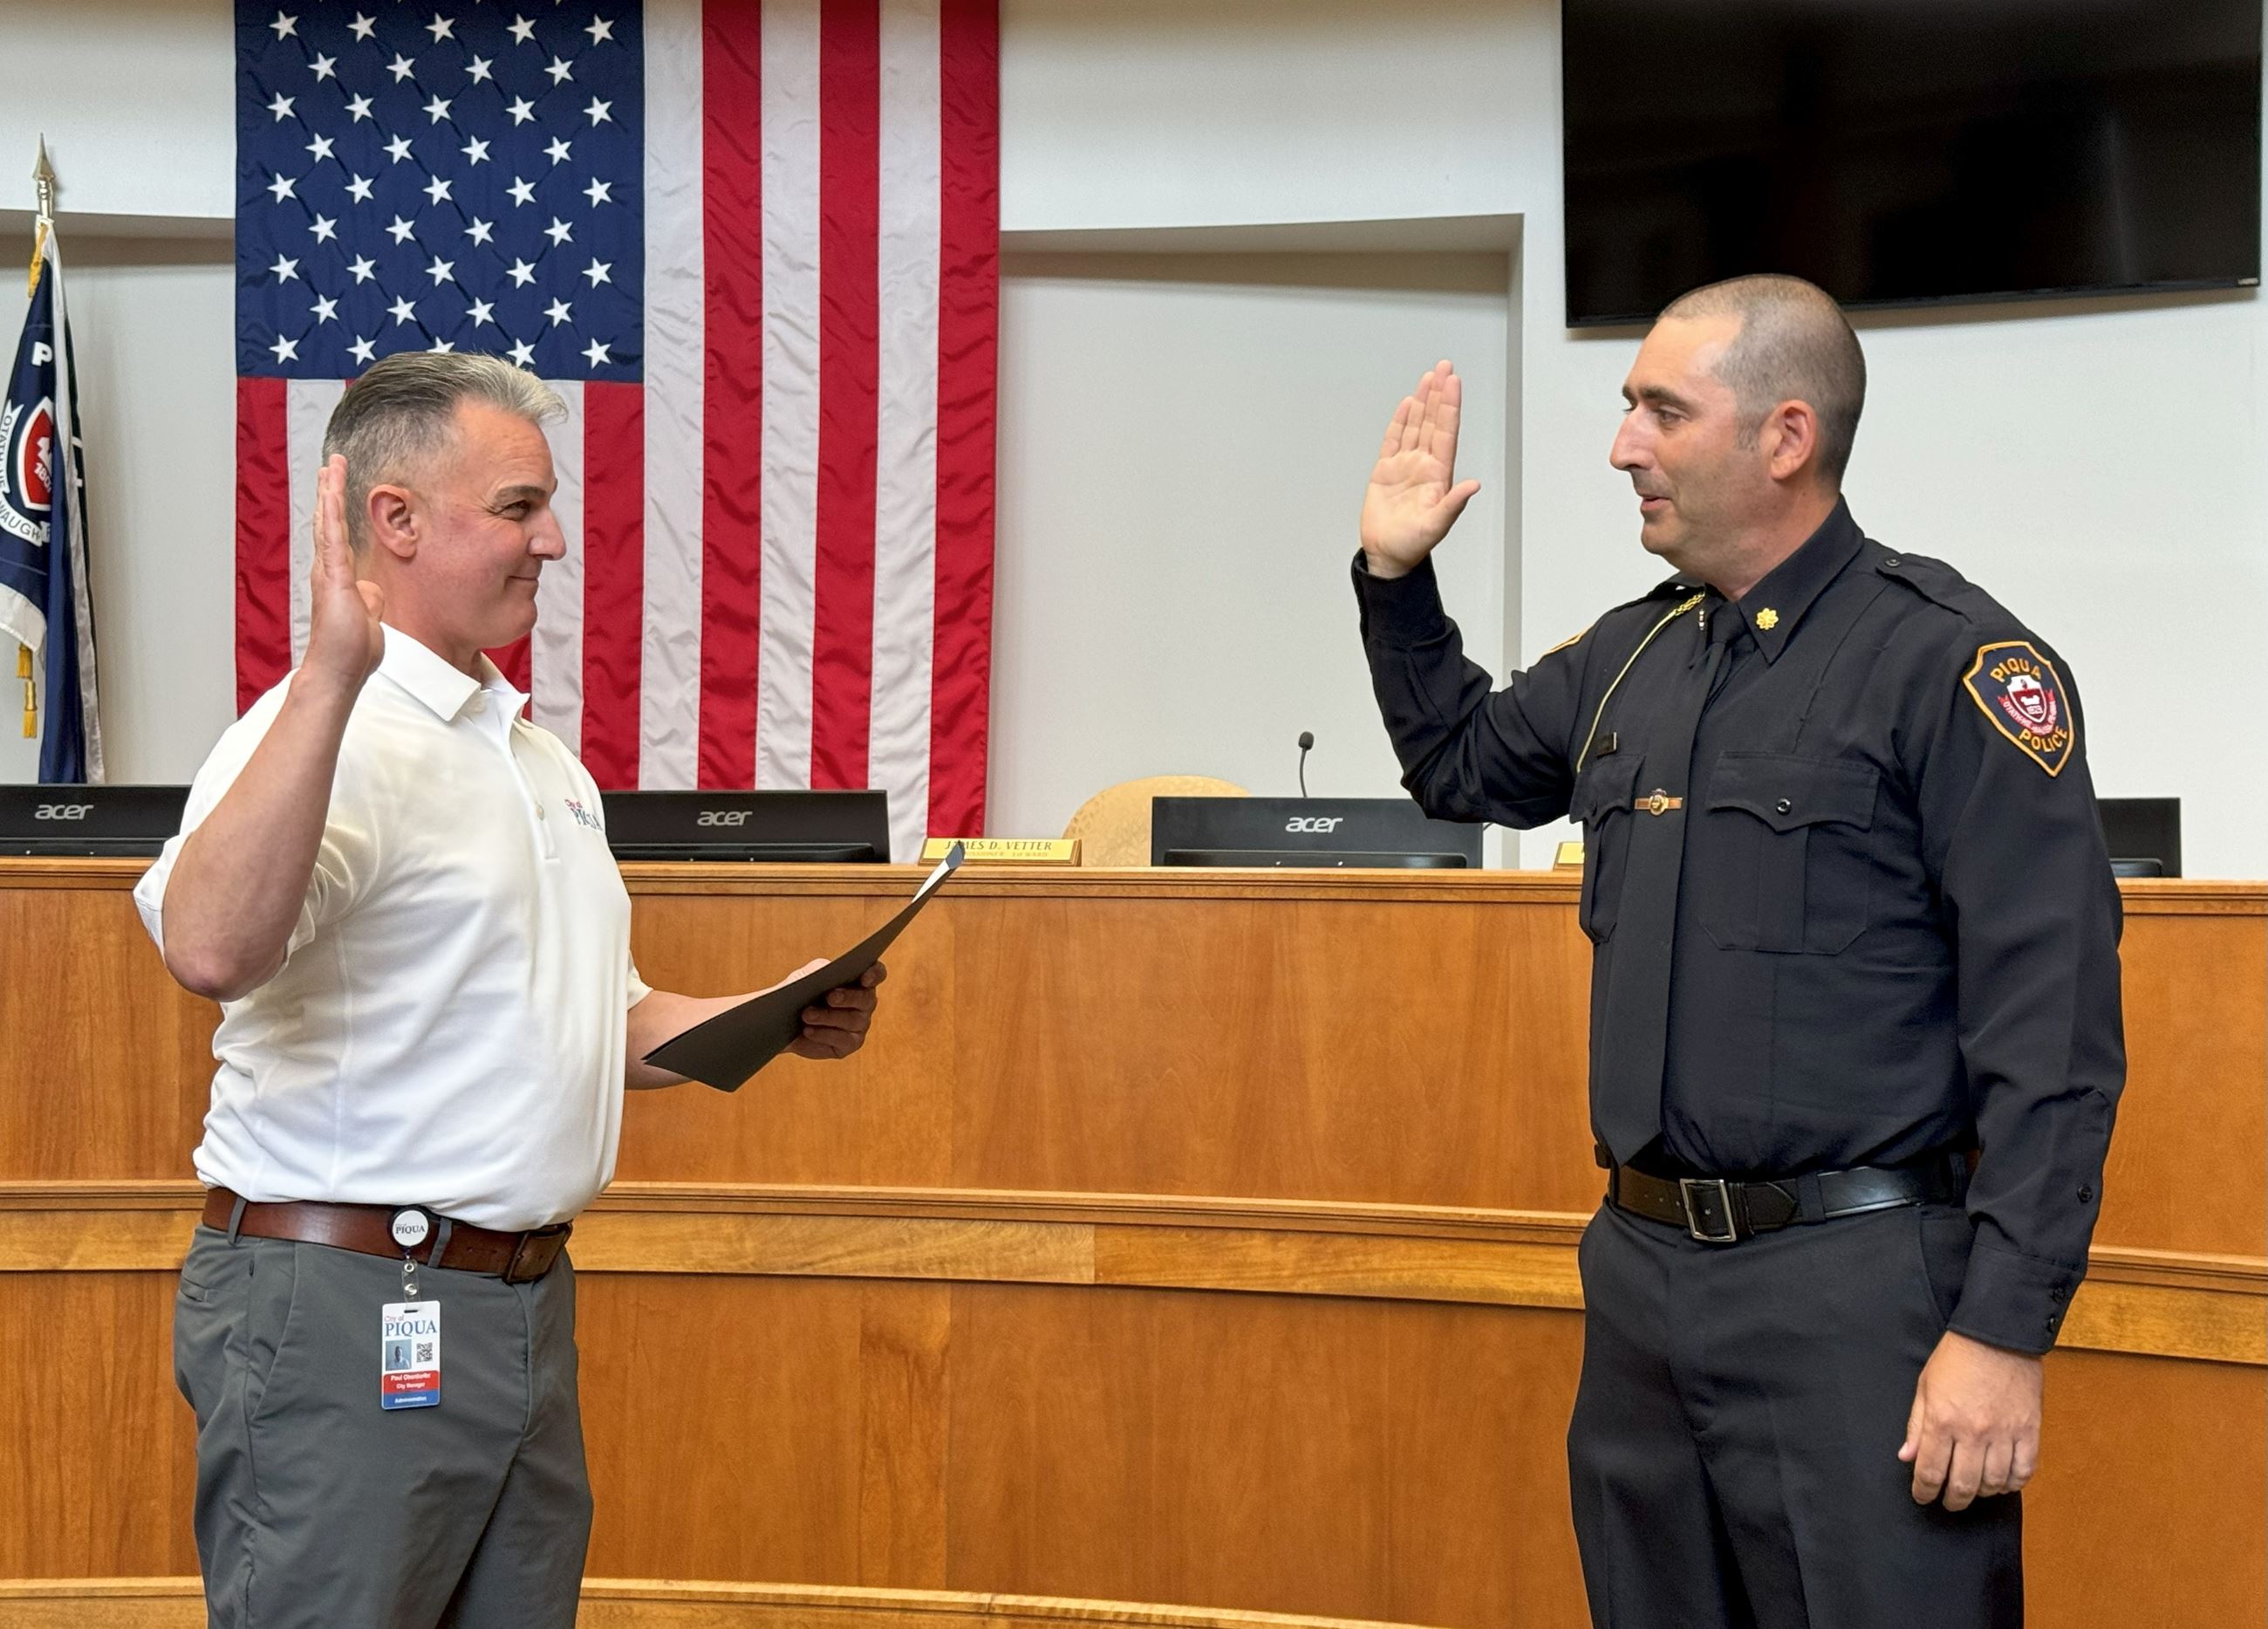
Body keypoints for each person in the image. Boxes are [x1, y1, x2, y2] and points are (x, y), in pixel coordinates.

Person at [1350, 275, 2122, 1628]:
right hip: (1644, 1289)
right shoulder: (1631, 659)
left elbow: (2051, 1038)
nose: (1622, 444)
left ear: (1785, 436)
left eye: (1662, 408)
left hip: (1861, 1299)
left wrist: (2002, 1331)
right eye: (1629, 406)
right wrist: (1396, 581)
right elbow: (1461, 762)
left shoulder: (1952, 666)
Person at [136, 352, 887, 1629]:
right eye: (519, 506)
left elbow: (606, 1022)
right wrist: (329, 675)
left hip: (519, 1311)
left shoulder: (534, 758)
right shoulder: (322, 733)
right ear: (395, 520)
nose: (552, 541)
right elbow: (208, 950)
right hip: (347, 1313)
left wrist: (771, 1015)